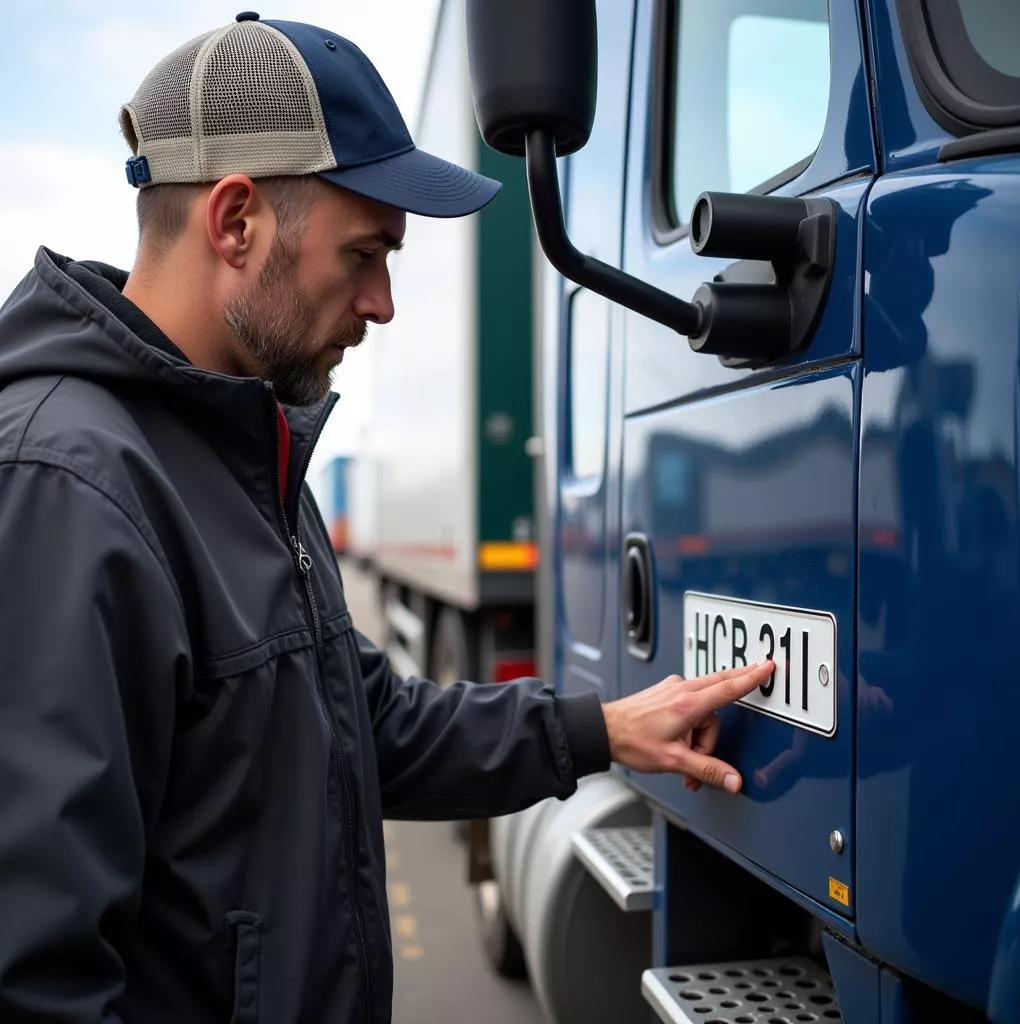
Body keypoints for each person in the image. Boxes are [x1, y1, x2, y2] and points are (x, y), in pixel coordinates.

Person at [0, 13, 774, 1023]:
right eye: (365, 252)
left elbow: (367, 727)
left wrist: (605, 728)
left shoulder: (236, 454)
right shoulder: (70, 485)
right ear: (235, 222)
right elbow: (36, 973)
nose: (384, 303)